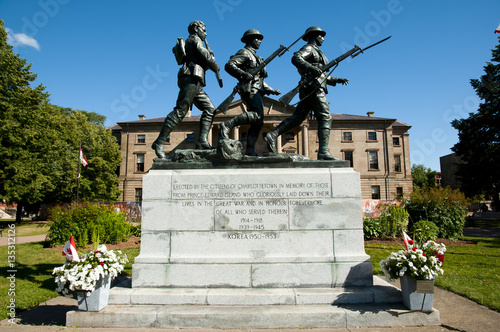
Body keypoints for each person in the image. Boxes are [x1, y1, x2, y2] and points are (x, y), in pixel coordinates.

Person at [264, 26, 348, 160]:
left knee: (298, 118)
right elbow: (296, 58)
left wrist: (336, 80)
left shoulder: (318, 52)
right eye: (320, 35)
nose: (323, 38)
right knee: (325, 117)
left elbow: (322, 73)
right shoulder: (309, 48)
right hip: (314, 87)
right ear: (313, 36)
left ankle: (273, 134)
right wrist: (311, 68)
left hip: (312, 86)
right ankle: (323, 152)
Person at [151, 20, 222, 159]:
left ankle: (201, 140)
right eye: (204, 29)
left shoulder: (195, 41)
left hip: (196, 80)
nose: (205, 33)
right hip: (190, 77)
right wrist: (215, 64)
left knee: (210, 109)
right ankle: (159, 142)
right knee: (181, 110)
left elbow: (203, 60)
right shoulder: (194, 39)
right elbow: (206, 58)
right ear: (196, 29)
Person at [218, 29, 280, 156]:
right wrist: (243, 74)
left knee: (258, 121)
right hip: (249, 89)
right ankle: (227, 124)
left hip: (258, 89)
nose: (260, 41)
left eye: (260, 39)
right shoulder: (244, 53)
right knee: (258, 115)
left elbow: (260, 79)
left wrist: (271, 90)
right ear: (250, 40)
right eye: (257, 38)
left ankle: (250, 149)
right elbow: (229, 65)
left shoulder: (258, 57)